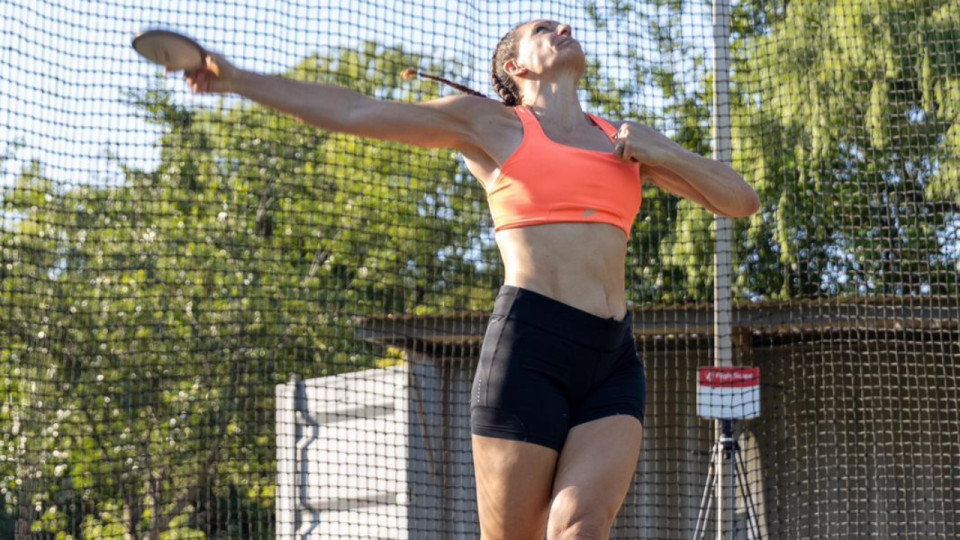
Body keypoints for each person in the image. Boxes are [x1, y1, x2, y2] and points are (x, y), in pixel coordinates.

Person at [183, 18, 759, 540]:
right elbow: (357, 111)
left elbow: (741, 201)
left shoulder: (623, 142)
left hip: (612, 358)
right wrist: (235, 78)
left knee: (582, 527)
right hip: (530, 348)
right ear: (516, 67)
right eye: (543, 27)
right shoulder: (490, 125)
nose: (563, 25)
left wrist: (666, 151)